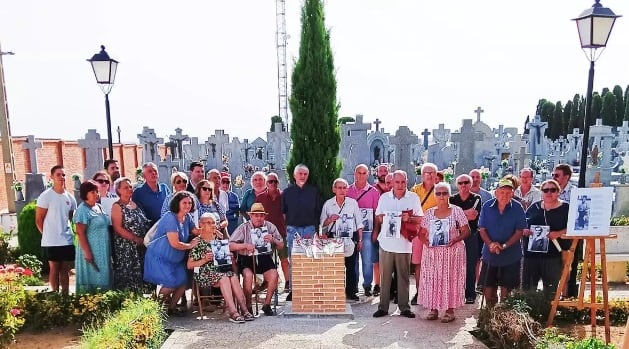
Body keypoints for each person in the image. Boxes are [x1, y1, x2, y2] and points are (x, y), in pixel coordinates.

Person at [372, 170, 423, 319]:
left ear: (406, 182)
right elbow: (378, 217)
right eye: (397, 182)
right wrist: (381, 218)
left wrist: (409, 218)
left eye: (403, 182)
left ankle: (404, 308)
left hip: (404, 243)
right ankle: (383, 307)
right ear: (392, 183)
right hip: (386, 243)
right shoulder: (384, 198)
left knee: (403, 277)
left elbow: (420, 219)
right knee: (385, 277)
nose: (400, 185)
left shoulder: (413, 197)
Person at [187, 212, 253, 323]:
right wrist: (204, 259)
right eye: (209, 223)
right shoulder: (197, 242)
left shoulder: (218, 241)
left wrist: (229, 257)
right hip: (204, 273)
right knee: (225, 277)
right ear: (201, 225)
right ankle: (233, 312)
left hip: (220, 272)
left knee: (232, 276)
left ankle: (244, 310)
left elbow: (226, 264)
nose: (213, 225)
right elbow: (189, 265)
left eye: (214, 222)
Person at [419, 182, 470, 322]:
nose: (441, 196)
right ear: (435, 195)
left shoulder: (457, 211)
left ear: (449, 194)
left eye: (444, 193)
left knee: (450, 279)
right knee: (433, 279)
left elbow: (467, 231)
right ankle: (433, 309)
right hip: (433, 253)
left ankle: (450, 310)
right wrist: (426, 242)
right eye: (438, 193)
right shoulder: (429, 213)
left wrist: (456, 239)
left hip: (452, 252)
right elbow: (421, 233)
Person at [144, 191, 201, 317]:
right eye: (184, 203)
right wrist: (191, 245)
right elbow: (174, 243)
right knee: (170, 284)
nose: (188, 205)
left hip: (175, 259)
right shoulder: (170, 217)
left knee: (182, 282)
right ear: (177, 203)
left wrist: (211, 226)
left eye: (190, 203)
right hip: (160, 257)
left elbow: (196, 231)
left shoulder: (187, 217)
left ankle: (171, 308)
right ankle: (155, 311)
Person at [478, 178, 527, 305]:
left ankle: (504, 316)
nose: (504, 195)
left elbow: (519, 231)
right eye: (502, 192)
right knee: (488, 288)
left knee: (507, 290)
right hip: (490, 253)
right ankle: (489, 315)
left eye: (508, 192)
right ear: (496, 192)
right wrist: (491, 244)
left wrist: (504, 246)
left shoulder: (517, 207)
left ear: (512, 194)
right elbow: (482, 229)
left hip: (511, 253)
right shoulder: (487, 206)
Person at [230, 203, 284, 316]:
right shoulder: (243, 227)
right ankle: (248, 306)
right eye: (256, 215)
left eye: (261, 215)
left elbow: (281, 245)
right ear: (251, 216)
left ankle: (267, 304)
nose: (259, 218)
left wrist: (273, 240)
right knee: (248, 276)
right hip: (247, 257)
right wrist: (244, 245)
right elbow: (230, 245)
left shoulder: (270, 226)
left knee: (274, 275)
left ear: (264, 216)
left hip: (264, 256)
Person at [282, 164, 322, 301]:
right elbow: (283, 213)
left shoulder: (313, 191)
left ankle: (308, 289)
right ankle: (294, 290)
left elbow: (318, 212)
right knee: (294, 260)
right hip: (293, 229)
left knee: (309, 259)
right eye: (300, 173)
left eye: (305, 174)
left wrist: (316, 230)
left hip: (309, 229)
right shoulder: (287, 192)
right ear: (294, 175)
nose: (303, 176)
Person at [35, 165, 77, 294]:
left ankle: (65, 296)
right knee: (54, 269)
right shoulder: (45, 196)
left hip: (66, 240)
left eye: (63, 175)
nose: (61, 177)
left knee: (65, 270)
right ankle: (54, 296)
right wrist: (47, 235)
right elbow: (39, 220)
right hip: (51, 241)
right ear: (52, 177)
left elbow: (72, 220)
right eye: (58, 175)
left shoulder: (70, 198)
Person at [522, 179, 569, 295]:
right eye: (545, 190)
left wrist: (558, 233)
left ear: (559, 192)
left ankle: (549, 313)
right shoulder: (534, 207)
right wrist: (526, 231)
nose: (549, 193)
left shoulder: (566, 208)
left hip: (552, 256)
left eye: (552, 190)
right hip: (531, 256)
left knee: (550, 291)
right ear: (541, 192)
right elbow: (524, 225)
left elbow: (574, 229)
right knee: (528, 290)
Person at [321, 178, 364, 301]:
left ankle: (351, 291)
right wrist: (330, 219)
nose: (342, 190)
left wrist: (360, 240)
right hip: (333, 238)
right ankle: (336, 291)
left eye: (344, 188)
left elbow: (359, 223)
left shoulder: (353, 203)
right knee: (335, 266)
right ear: (334, 189)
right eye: (339, 188)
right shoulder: (328, 204)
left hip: (350, 237)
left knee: (351, 266)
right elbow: (322, 224)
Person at [110, 177, 153, 293]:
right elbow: (117, 227)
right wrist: (135, 238)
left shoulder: (136, 204)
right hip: (127, 248)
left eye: (130, 187)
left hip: (141, 246)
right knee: (129, 276)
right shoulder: (117, 206)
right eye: (125, 187)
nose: (129, 189)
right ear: (118, 191)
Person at [347, 164, 380, 297]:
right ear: (355, 173)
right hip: (351, 231)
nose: (361, 175)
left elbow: (377, 215)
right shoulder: (348, 190)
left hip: (367, 231)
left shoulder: (373, 192)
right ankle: (353, 285)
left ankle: (367, 285)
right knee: (352, 259)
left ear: (368, 175)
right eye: (358, 173)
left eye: (363, 173)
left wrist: (376, 231)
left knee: (367, 260)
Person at [74, 180, 112, 293]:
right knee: (93, 280)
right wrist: (87, 253)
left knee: (104, 277)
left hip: (103, 250)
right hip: (91, 250)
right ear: (85, 193)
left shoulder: (99, 207)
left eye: (97, 191)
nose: (96, 194)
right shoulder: (82, 210)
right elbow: (80, 233)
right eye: (92, 192)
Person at [449, 174, 482, 304]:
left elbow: (473, 216)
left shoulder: (476, 197)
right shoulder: (452, 199)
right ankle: (455, 293)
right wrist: (465, 213)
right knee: (454, 266)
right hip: (455, 236)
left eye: (466, 182)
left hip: (471, 235)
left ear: (470, 183)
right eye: (461, 183)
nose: (463, 185)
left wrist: (458, 215)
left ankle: (470, 294)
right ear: (457, 185)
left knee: (470, 264)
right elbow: (451, 217)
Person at [255, 172, 290, 292]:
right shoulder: (260, 198)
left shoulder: (284, 196)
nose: (273, 184)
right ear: (266, 183)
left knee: (284, 258)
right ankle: (268, 282)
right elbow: (256, 215)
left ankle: (288, 283)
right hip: (265, 233)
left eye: (275, 181)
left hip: (281, 232)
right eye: (270, 181)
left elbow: (287, 213)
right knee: (266, 259)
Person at [410, 162, 439, 305]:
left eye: (432, 172)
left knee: (435, 263)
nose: (430, 175)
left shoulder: (440, 190)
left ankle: (433, 292)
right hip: (418, 231)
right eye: (427, 173)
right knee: (419, 262)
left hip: (434, 231)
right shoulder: (415, 190)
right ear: (422, 175)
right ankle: (419, 292)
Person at [552, 163, 579, 297]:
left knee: (565, 266)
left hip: (567, 236)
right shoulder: (551, 190)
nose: (554, 177)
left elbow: (576, 217)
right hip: (552, 235)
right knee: (552, 265)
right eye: (553, 175)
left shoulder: (574, 192)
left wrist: (561, 232)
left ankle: (564, 296)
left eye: (557, 175)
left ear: (566, 177)